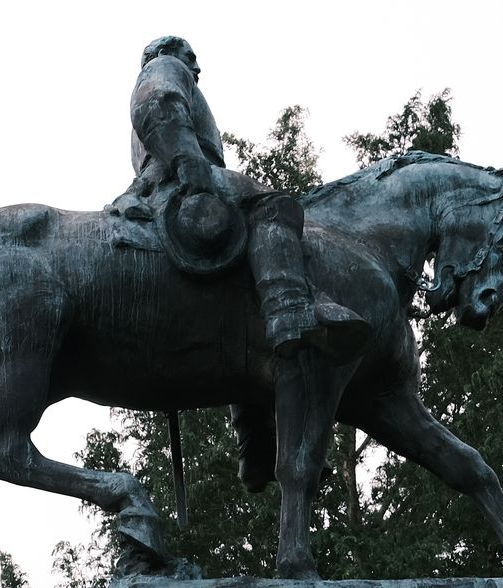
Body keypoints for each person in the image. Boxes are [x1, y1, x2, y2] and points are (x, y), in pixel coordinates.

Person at [119, 35, 369, 363]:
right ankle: (291, 309)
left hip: (163, 176)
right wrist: (187, 159)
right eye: (189, 56)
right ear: (166, 53)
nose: (196, 66)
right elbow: (158, 102)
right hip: (182, 172)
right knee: (272, 205)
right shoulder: (164, 67)